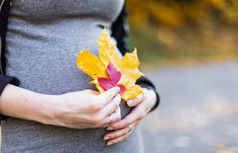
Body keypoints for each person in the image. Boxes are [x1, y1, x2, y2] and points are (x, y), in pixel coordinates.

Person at [0, 0, 160, 152]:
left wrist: (147, 91)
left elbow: (119, 43)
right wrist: (53, 111)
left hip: (123, 144)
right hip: (36, 143)